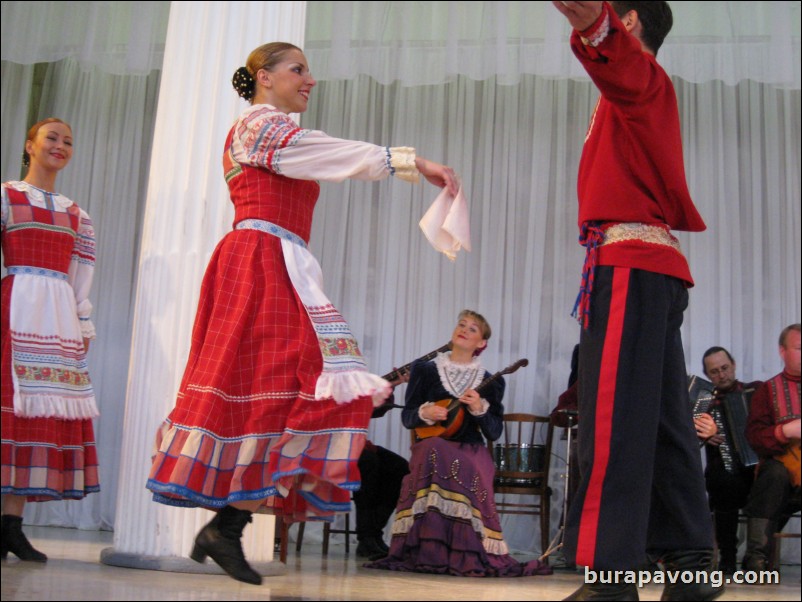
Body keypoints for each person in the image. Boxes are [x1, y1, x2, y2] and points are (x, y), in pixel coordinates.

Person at [145, 42, 459, 586]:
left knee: (304, 388)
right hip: (261, 261)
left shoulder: (273, 133)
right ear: (264, 78)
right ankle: (226, 527)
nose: (309, 80)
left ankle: (226, 526)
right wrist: (410, 162)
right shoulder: (258, 127)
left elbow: (319, 154)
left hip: (284, 263)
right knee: (298, 383)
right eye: (298, 70)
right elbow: (330, 153)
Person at [551, 2, 719, 600]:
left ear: (633, 23)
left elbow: (614, 55)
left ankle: (613, 575)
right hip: (647, 268)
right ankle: (693, 562)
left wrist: (593, 21)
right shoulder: (632, 94)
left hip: (629, 265)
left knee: (614, 421)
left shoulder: (640, 78)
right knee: (665, 423)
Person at [366, 310, 551, 577]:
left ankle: (465, 551)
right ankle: (428, 550)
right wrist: (424, 413)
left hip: (471, 448)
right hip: (431, 445)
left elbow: (494, 432)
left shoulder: (493, 381)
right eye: (461, 324)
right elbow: (408, 417)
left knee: (466, 463)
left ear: (482, 343)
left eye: (473, 329)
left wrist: (479, 408)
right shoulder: (425, 370)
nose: (464, 329)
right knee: (434, 449)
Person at [1, 118, 99, 562]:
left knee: (37, 414)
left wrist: (82, 324)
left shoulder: (76, 214)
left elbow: (81, 277)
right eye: (52, 138)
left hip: (56, 315)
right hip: (14, 307)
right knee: (9, 409)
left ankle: (11, 526)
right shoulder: (6, 196)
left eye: (68, 141)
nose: (60, 146)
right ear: (30, 146)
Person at [693, 347, 761, 574]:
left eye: (724, 368)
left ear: (733, 365)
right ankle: (728, 558)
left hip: (758, 470)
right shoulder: (703, 402)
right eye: (714, 372)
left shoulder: (756, 391)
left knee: (774, 482)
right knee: (723, 482)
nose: (721, 375)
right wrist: (706, 433)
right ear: (707, 375)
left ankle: (758, 556)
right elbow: (689, 443)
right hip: (724, 473)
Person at [743, 323, 801, 571]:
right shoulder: (767, 390)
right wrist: (785, 431)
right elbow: (755, 438)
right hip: (783, 481)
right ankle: (757, 557)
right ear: (782, 351)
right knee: (773, 473)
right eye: (799, 348)